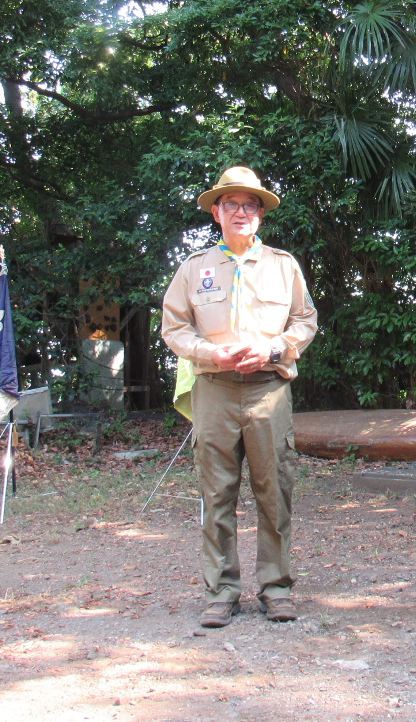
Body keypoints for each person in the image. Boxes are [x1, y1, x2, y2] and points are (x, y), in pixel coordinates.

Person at [161, 166, 318, 628]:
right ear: (216, 212)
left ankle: (276, 588)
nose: (241, 212)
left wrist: (273, 349)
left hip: (269, 390)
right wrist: (210, 352)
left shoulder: (283, 266)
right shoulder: (194, 269)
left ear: (260, 214)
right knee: (217, 493)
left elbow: (305, 321)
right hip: (215, 391)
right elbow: (174, 327)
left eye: (251, 204)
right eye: (231, 204)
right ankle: (221, 591)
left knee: (275, 492)